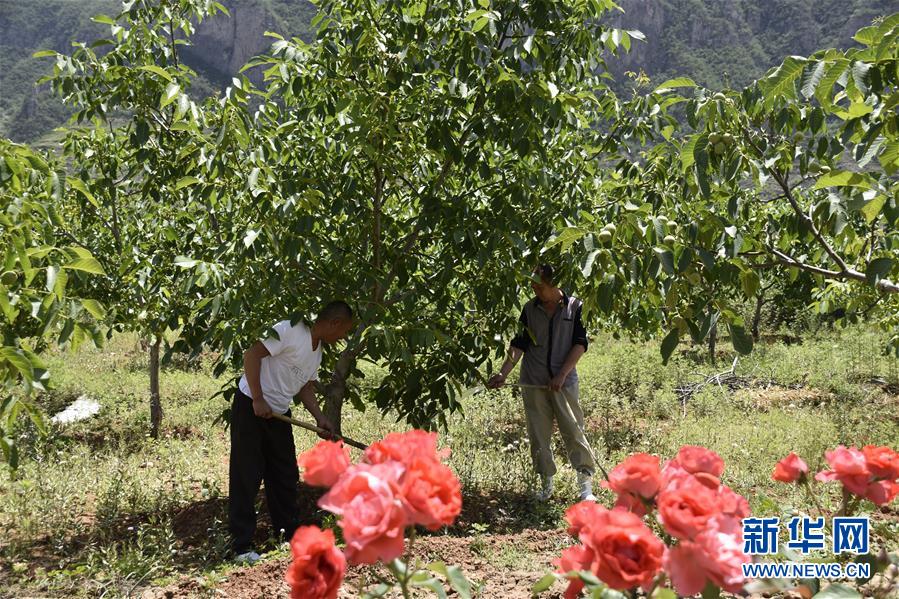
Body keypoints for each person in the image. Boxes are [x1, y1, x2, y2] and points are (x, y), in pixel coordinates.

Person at [229, 300, 354, 564]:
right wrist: (258, 399)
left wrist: (320, 418)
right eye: (343, 331)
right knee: (246, 475)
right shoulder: (290, 330)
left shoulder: (317, 351)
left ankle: (287, 534)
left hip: (279, 414)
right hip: (251, 406)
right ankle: (241, 546)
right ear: (334, 323)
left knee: (284, 474)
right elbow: (252, 354)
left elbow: (305, 388)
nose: (342, 338)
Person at [488, 265, 597, 502]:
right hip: (534, 381)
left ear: (555, 284)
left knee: (574, 430)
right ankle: (546, 485)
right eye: (533, 286)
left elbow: (580, 344)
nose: (535, 290)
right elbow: (518, 344)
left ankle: (585, 488)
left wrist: (561, 375)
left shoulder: (575, 307)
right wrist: (503, 373)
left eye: (540, 286)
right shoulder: (530, 308)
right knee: (538, 434)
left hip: (564, 382)